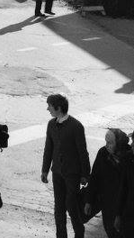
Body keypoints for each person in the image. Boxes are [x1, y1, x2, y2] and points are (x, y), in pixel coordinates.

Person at [41, 94, 90, 238]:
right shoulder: (51, 124)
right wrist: (44, 170)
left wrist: (85, 174)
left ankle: (79, 232)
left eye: (50, 106)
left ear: (58, 108)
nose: (48, 109)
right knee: (59, 208)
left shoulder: (76, 126)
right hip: (57, 172)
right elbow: (48, 148)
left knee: (71, 205)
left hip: (72, 174)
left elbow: (83, 152)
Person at [84, 128, 130, 238]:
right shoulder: (103, 153)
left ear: (119, 143)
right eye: (106, 142)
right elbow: (94, 177)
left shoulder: (130, 157)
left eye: (110, 143)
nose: (106, 145)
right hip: (107, 203)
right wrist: (89, 201)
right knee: (110, 230)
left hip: (124, 206)